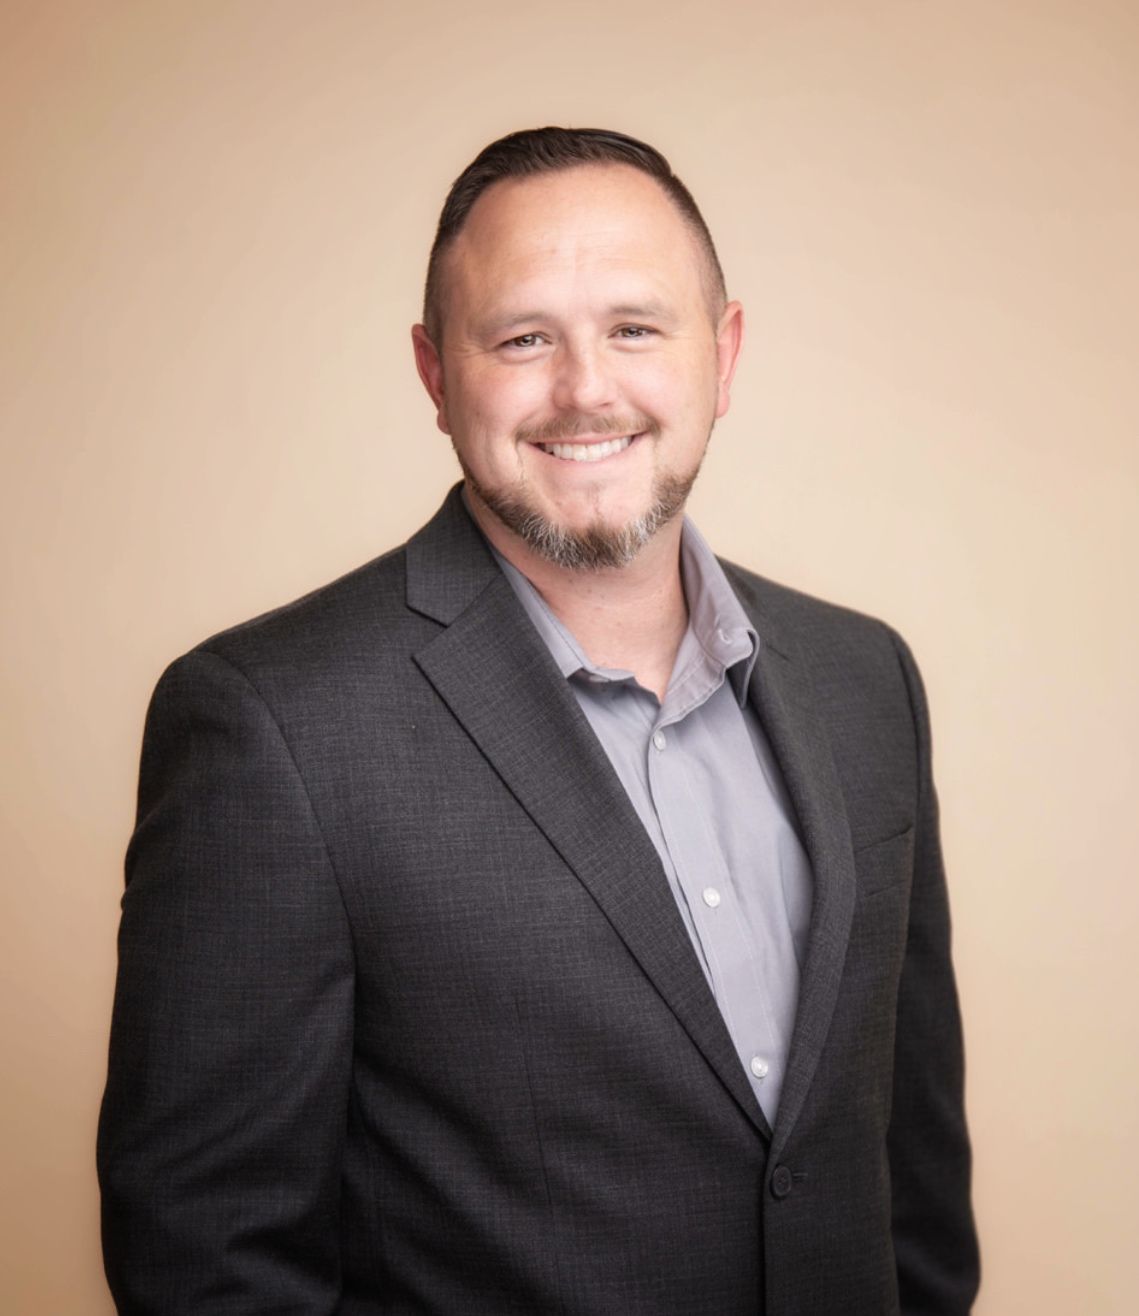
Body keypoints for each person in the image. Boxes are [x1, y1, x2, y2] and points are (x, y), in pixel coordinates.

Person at [98, 127, 979, 1314]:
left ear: (721, 355)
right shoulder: (270, 724)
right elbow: (206, 1259)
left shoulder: (865, 677)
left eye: (634, 327)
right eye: (522, 338)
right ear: (433, 372)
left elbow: (909, 1178)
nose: (585, 389)